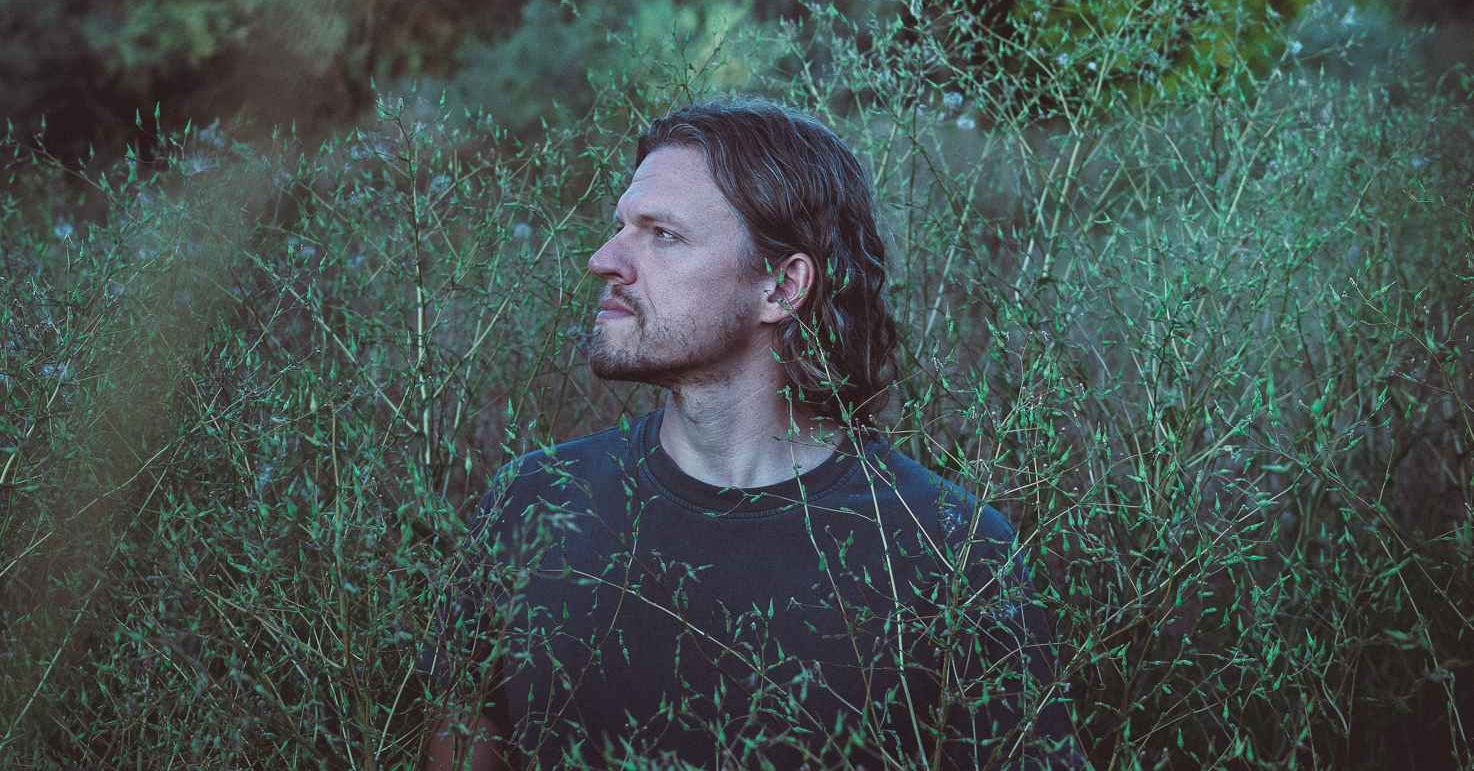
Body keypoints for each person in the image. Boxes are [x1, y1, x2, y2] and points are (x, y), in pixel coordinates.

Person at [418, 100, 1084, 770]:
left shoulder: (948, 549)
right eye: (620, 227)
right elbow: (461, 736)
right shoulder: (534, 503)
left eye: (662, 234)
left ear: (781, 286)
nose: (603, 260)